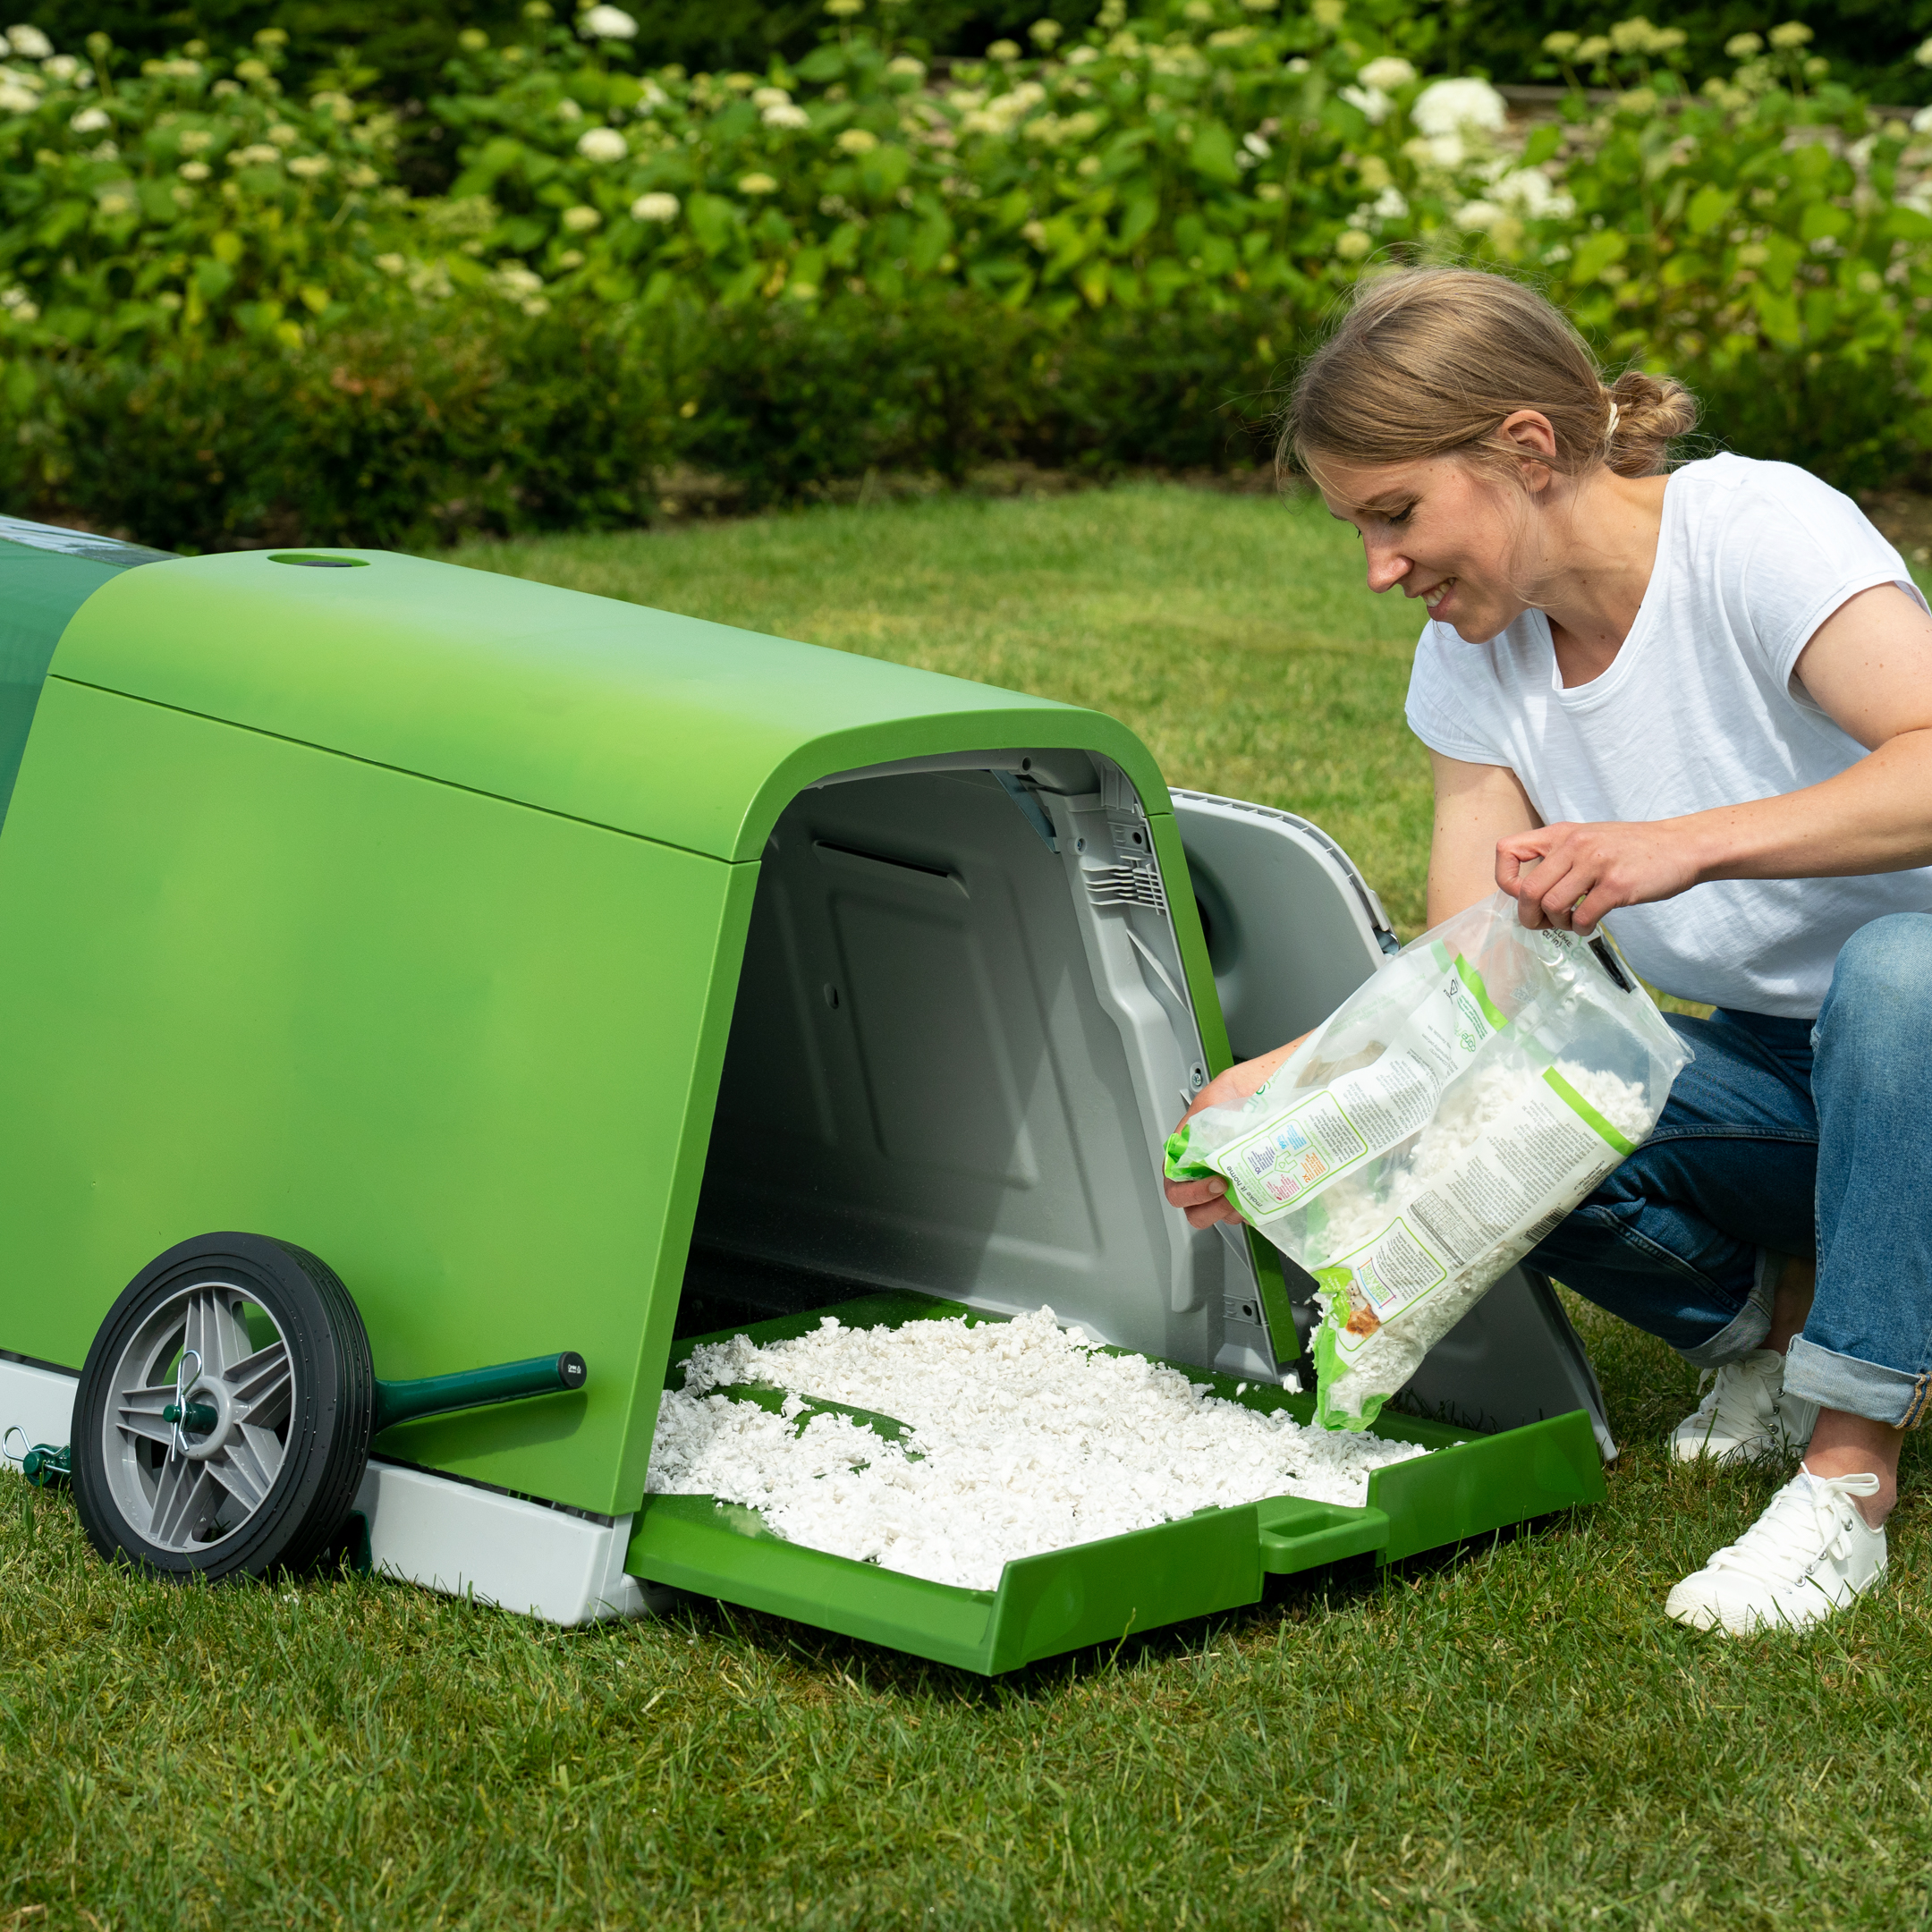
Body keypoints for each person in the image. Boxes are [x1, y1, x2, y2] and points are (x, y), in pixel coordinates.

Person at [1162, 266, 1932, 1637]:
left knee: (1901, 973)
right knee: (1475, 1095)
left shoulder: (1759, 535)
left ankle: (1848, 1466)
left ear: (1525, 449)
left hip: (1914, 1043)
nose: (1380, 568)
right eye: (1357, 528)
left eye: (1395, 515)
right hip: (1779, 1082)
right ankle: (1783, 1327)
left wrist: (1683, 842)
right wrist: (1299, 1092)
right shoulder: (1476, 654)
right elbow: (1475, 968)